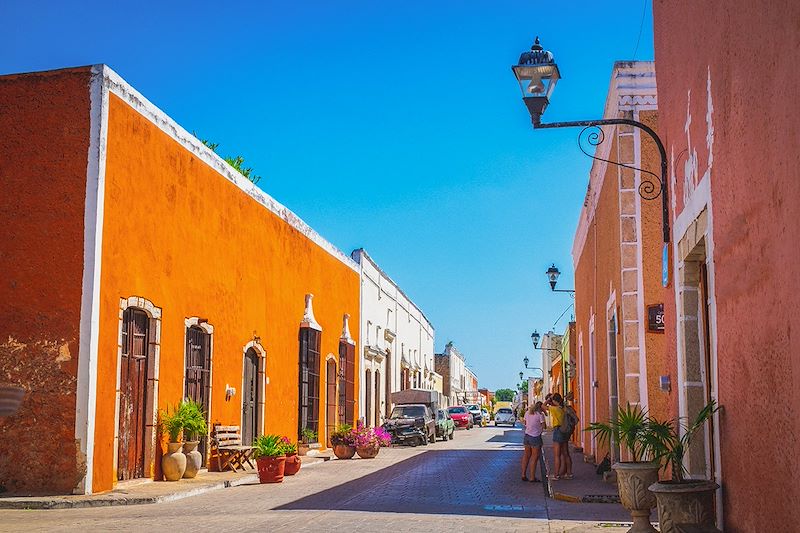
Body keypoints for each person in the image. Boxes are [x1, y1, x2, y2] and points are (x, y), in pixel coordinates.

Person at [548, 393, 574, 480]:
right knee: (566, 453)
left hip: (558, 431)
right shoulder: (564, 408)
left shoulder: (555, 409)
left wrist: (549, 400)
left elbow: (543, 406)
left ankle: (556, 475)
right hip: (565, 431)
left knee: (557, 455)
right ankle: (569, 473)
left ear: (555, 401)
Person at [521, 401, 546, 482]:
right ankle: (532, 477)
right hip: (535, 437)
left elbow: (524, 423)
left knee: (526, 456)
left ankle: (523, 474)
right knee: (534, 457)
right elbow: (544, 426)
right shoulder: (540, 415)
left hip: (527, 436)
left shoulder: (527, 413)